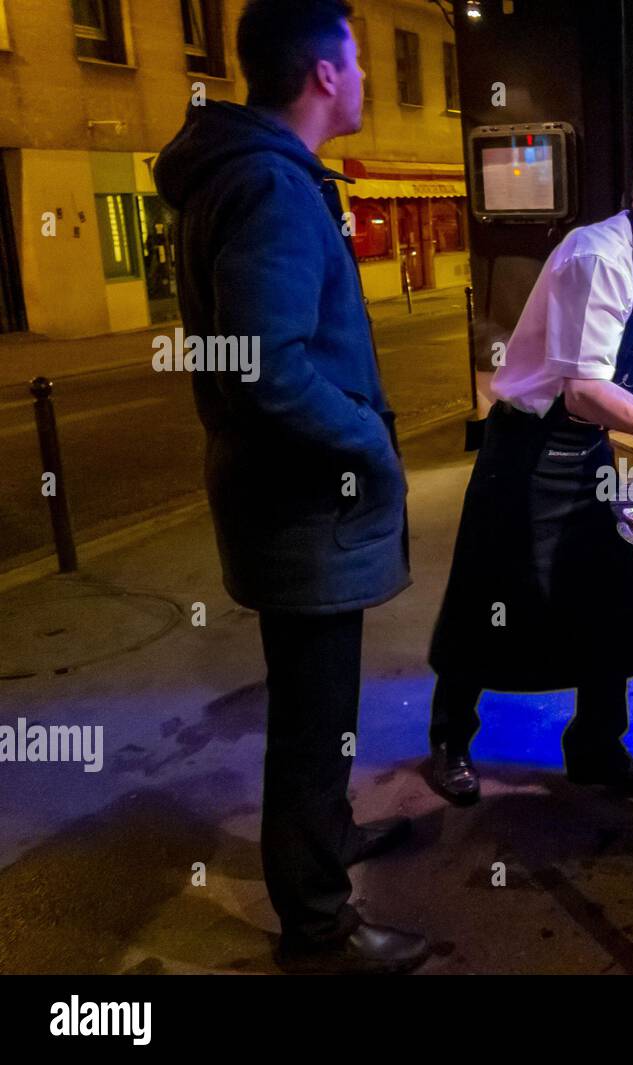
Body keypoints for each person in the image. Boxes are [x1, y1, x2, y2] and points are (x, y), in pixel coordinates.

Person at [155, 0, 431, 975]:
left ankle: (323, 845)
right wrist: (368, 440)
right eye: (357, 61)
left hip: (294, 502)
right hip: (306, 505)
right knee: (313, 725)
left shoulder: (255, 178)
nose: (361, 79)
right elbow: (260, 368)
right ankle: (321, 930)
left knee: (322, 711)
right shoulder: (270, 189)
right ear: (323, 74)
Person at [427, 118, 633, 805]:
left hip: (586, 448)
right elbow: (586, 390)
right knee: (490, 598)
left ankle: (596, 747)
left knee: (610, 597)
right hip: (528, 448)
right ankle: (450, 738)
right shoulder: (598, 256)